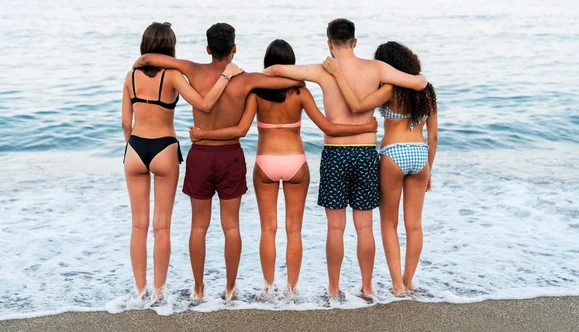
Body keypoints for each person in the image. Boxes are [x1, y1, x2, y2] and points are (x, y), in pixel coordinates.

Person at [188, 39, 378, 300]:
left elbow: (240, 129)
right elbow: (329, 128)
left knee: (269, 229)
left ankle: (268, 287)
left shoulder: (256, 93)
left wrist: (205, 134)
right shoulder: (300, 92)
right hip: (295, 162)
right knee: (293, 230)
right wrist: (364, 128)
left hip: (266, 162)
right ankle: (291, 289)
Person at [132, 23, 303, 302]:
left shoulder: (191, 69)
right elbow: (287, 81)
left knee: (198, 227)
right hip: (230, 155)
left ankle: (199, 290)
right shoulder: (247, 80)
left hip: (200, 156)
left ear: (208, 49)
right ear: (234, 49)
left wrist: (141, 60)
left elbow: (149, 59)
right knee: (231, 226)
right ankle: (230, 289)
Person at [263, 19, 427, 300]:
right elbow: (420, 81)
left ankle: (333, 288)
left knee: (335, 227)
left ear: (329, 43)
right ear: (355, 41)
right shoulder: (376, 69)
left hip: (335, 153)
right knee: (365, 227)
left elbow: (274, 70)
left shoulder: (322, 70)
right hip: (365, 153)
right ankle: (367, 286)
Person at [121, 22, 243, 307]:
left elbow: (126, 122)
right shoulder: (173, 76)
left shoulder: (131, 77)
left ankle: (140, 292)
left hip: (135, 148)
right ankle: (160, 293)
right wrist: (226, 76)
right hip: (164, 147)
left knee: (138, 226)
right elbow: (204, 105)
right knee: (161, 226)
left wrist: (131, 146)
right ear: (170, 48)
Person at [322, 41, 438, 295]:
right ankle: (408, 281)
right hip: (420, 155)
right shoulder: (427, 91)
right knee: (415, 225)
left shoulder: (389, 90)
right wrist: (429, 168)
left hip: (393, 153)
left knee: (388, 224)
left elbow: (356, 104)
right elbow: (434, 136)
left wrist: (338, 75)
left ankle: (397, 286)